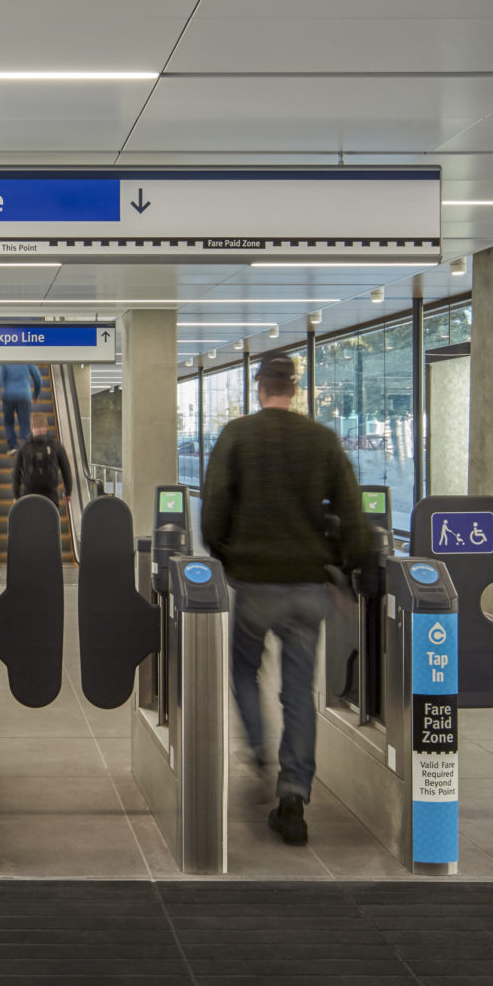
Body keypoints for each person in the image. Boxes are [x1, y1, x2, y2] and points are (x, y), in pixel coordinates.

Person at [200, 352, 368, 849]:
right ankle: (293, 795)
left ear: (260, 388)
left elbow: (213, 513)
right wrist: (347, 572)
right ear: (294, 389)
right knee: (298, 693)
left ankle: (257, 746)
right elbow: (354, 516)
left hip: (253, 585)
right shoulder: (322, 440)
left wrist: (227, 558)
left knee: (242, 672)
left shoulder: (237, 436)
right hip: (307, 588)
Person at [11, 412, 69, 511]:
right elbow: (66, 470)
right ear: (47, 427)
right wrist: (68, 492)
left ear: (31, 427)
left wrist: (16, 496)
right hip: (50, 495)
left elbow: (16, 473)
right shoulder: (56, 446)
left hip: (28, 494)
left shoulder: (24, 447)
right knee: (50, 523)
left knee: (29, 524)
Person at [0, 362, 40, 453]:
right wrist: (36, 395)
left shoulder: (5, 363)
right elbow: (38, 379)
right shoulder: (27, 361)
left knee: (8, 422)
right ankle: (25, 447)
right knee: (25, 423)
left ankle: (13, 446)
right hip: (24, 396)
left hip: (8, 396)